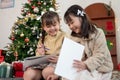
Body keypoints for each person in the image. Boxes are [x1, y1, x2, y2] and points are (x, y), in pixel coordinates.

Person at [63, 5, 113, 80]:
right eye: (69, 24)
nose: (70, 26)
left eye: (72, 22)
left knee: (82, 76)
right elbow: (74, 58)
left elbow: (100, 55)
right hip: (84, 67)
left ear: (81, 18)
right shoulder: (72, 37)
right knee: (68, 76)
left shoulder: (98, 33)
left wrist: (86, 65)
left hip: (102, 69)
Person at [23, 11, 68, 80]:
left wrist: (60, 59)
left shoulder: (64, 36)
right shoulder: (43, 39)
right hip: (43, 65)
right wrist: (41, 53)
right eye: (48, 26)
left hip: (57, 64)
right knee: (28, 74)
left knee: (47, 72)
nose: (52, 28)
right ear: (44, 27)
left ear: (59, 23)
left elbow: (70, 55)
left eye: (54, 25)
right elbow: (38, 57)